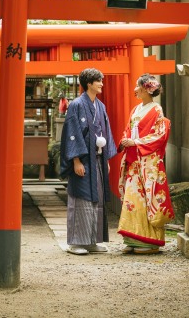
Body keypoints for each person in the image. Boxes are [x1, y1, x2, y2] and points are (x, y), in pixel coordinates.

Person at [60, 68, 118, 255]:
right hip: (83, 159)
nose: (101, 83)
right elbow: (72, 133)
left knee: (97, 199)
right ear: (89, 83)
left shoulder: (101, 106)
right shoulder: (76, 105)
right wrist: (76, 160)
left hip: (98, 159)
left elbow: (105, 131)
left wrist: (106, 158)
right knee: (81, 198)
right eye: (98, 81)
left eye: (101, 80)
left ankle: (92, 241)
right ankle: (76, 242)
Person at [116, 73, 174, 255]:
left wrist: (137, 142)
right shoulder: (135, 110)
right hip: (134, 162)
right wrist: (126, 140)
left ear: (146, 89)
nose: (135, 90)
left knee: (146, 200)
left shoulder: (156, 110)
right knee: (131, 201)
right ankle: (131, 239)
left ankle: (149, 241)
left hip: (148, 163)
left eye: (137, 87)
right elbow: (127, 130)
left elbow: (159, 134)